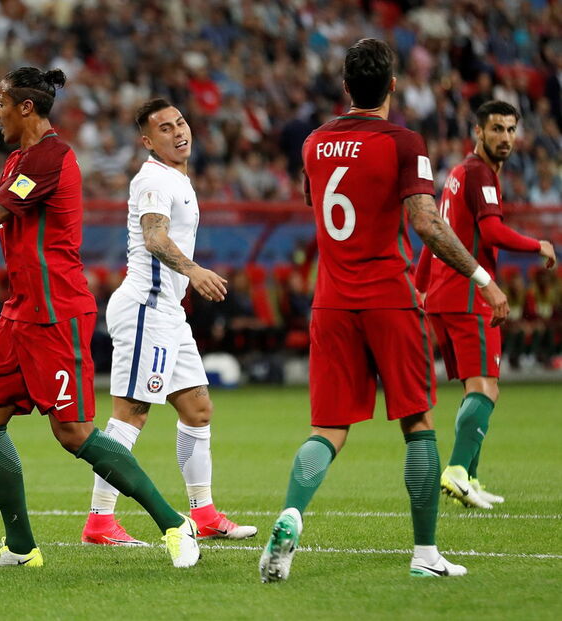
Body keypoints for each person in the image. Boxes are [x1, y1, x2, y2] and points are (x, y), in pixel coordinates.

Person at [0, 67, 200, 568]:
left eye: (0, 101)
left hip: (55, 313)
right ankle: (21, 548)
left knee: (74, 434)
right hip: (19, 313)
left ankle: (175, 524)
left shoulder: (52, 157)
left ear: (26, 106)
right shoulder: (20, 159)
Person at [258, 39, 510, 583]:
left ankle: (291, 513)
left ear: (346, 87)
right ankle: (425, 555)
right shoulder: (404, 142)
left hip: (330, 300)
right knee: (418, 424)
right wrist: (482, 278)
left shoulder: (314, 142)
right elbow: (426, 221)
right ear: (393, 85)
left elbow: (320, 202)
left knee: (328, 428)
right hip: (388, 297)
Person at [80, 98, 257, 546]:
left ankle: (206, 512)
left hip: (168, 312)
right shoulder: (154, 180)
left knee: (198, 409)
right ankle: (99, 522)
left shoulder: (178, 177)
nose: (178, 131)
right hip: (146, 309)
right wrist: (194, 270)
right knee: (130, 416)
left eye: (181, 122)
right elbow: (154, 236)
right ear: (148, 141)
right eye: (165, 128)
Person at [415, 101, 556, 509]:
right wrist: (538, 245)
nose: (506, 138)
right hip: (468, 294)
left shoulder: (458, 173)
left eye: (511, 130)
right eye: (497, 129)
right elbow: (491, 232)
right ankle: (457, 470)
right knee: (487, 388)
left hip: (445, 295)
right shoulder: (479, 174)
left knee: (474, 388)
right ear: (478, 131)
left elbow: (436, 233)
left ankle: (471, 479)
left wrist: (422, 285)